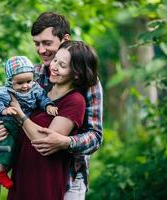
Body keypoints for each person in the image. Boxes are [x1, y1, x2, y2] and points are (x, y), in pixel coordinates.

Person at [0, 12, 103, 199]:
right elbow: (8, 106)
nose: (41, 50)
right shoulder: (31, 74)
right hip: (26, 170)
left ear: (65, 39)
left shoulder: (87, 84)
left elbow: (95, 136)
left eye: (47, 43)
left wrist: (64, 141)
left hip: (68, 176)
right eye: (37, 43)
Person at [7, 40, 99, 200]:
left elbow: (44, 141)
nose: (54, 67)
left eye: (62, 65)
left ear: (76, 73)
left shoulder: (75, 101)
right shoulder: (39, 91)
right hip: (23, 172)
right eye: (55, 60)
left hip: (44, 179)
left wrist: (20, 115)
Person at [0, 55, 58, 189]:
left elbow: (43, 99)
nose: (25, 86)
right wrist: (4, 111)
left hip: (23, 124)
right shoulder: (6, 91)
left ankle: (9, 170)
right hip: (8, 124)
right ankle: (1, 172)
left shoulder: (35, 88)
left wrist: (48, 106)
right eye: (20, 83)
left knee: (19, 150)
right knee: (8, 146)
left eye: (28, 81)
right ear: (10, 81)